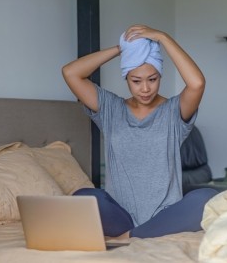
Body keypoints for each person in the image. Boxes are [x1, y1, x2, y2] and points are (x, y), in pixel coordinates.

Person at [62, 24, 218, 239]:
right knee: (83, 196)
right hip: (120, 215)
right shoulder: (111, 109)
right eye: (136, 81)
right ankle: (140, 233)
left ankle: (132, 236)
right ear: (126, 78)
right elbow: (71, 73)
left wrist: (163, 37)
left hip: (165, 215)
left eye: (152, 79)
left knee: (207, 199)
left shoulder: (174, 111)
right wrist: (122, 49)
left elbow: (197, 83)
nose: (145, 89)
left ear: (160, 77)